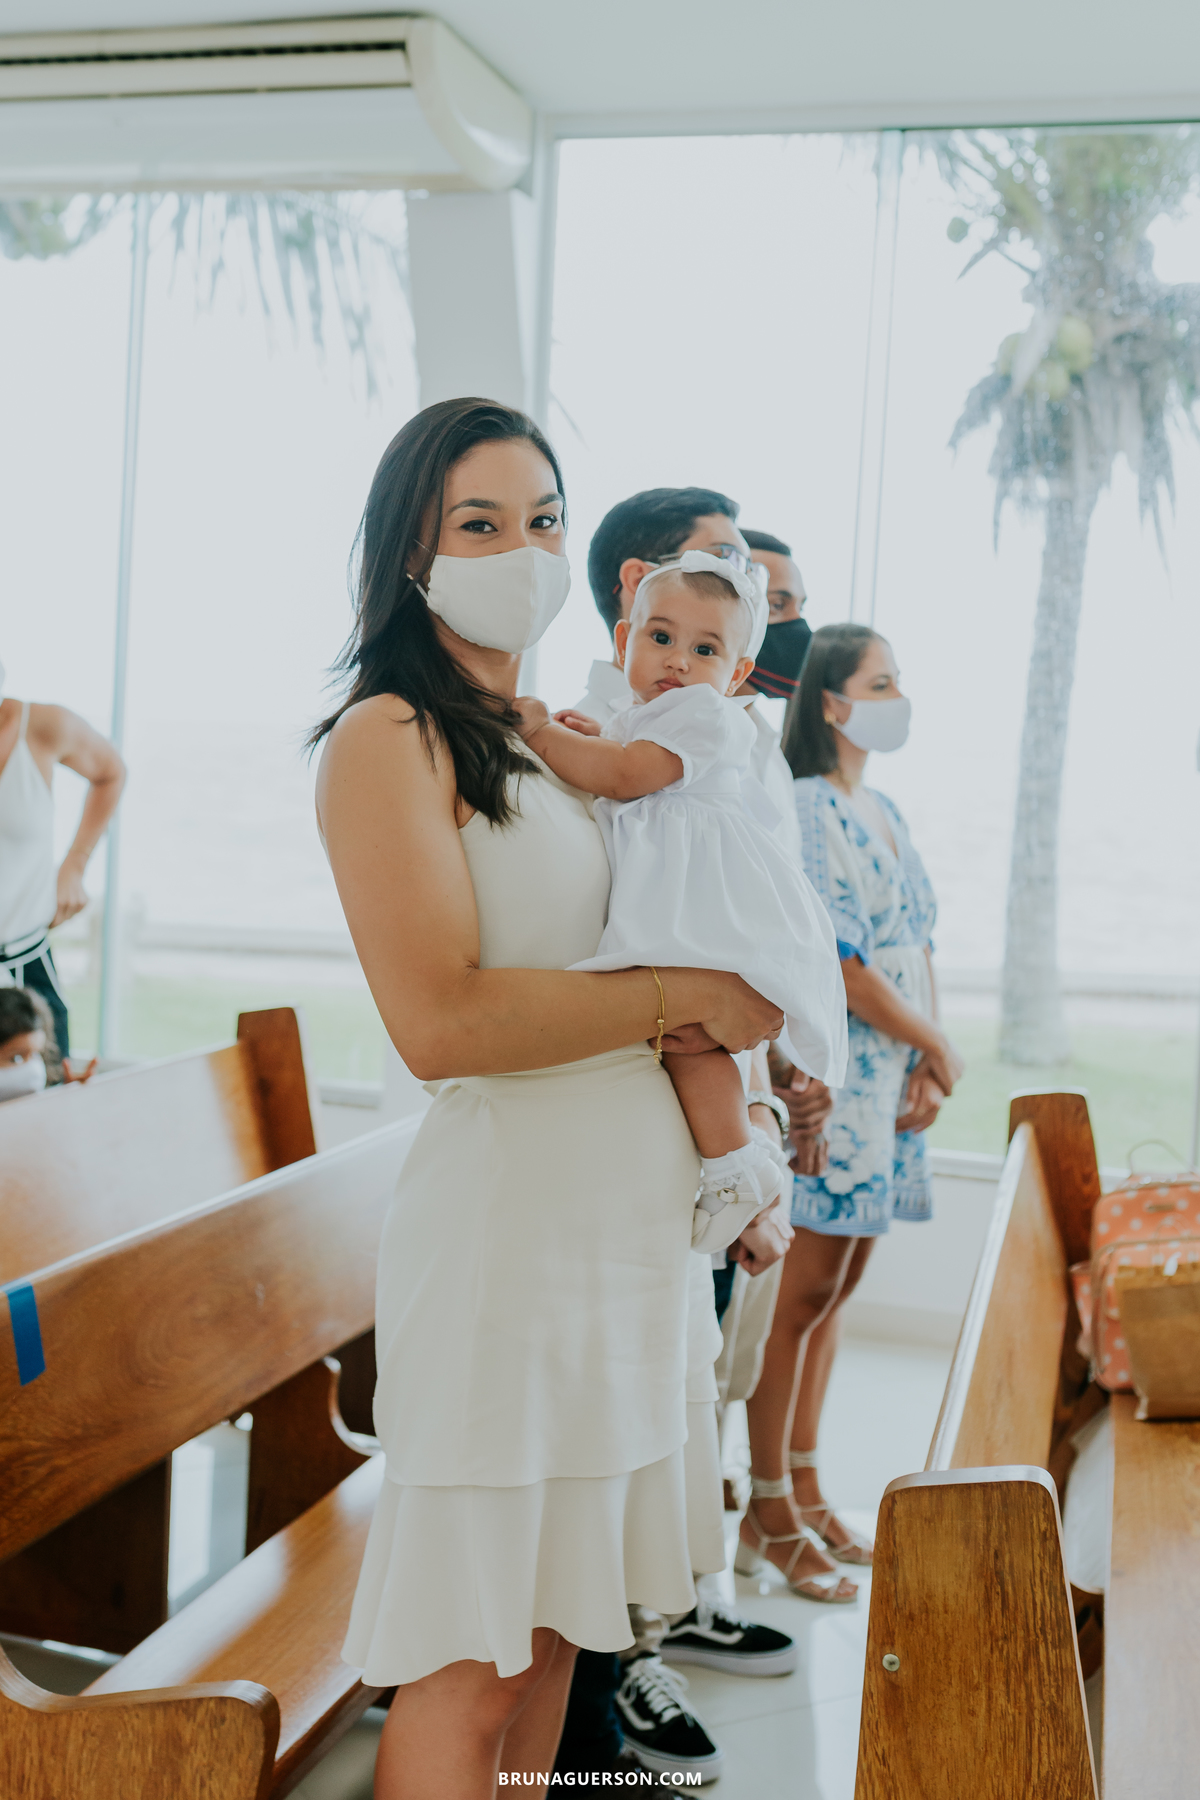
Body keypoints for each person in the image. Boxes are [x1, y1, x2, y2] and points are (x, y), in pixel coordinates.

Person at [313, 398, 786, 1799]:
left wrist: (747, 1084)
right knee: (470, 1671)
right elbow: (440, 1022)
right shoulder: (387, 738)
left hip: (621, 1249)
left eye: (542, 522)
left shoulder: (570, 736)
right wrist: (686, 998)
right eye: (480, 524)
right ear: (413, 550)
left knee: (555, 1653)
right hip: (509, 1249)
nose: (519, 550)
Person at [519, 552, 845, 1224]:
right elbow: (618, 750)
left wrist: (543, 735)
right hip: (682, 900)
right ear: (623, 641)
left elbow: (625, 775)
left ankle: (735, 1164)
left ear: (737, 676)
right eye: (660, 638)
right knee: (687, 1040)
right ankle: (736, 1162)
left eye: (705, 649)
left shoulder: (706, 715)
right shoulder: (645, 717)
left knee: (693, 1040)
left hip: (709, 909)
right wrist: (590, 732)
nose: (678, 662)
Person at [742, 623, 964, 1588]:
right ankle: (768, 1505)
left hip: (895, 1081)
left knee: (838, 1299)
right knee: (797, 1301)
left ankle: (811, 1483)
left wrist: (933, 1060)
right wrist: (932, 1042)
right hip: (848, 1078)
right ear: (832, 702)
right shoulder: (805, 808)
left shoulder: (884, 809)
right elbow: (839, 960)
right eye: (881, 681)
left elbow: (918, 946)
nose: (897, 694)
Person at [0, 661, 126, 1061]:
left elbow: (110, 772)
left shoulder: (41, 726)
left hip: (26, 966)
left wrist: (75, 864)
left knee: (49, 1112)